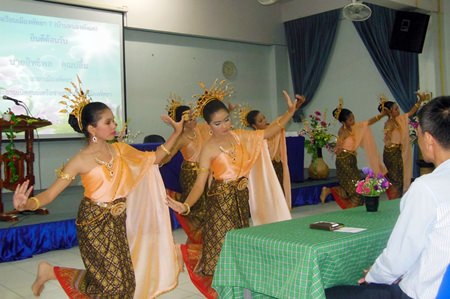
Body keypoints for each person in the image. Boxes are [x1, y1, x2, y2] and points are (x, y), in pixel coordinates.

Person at [13, 78, 183, 298]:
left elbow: (157, 158)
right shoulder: (80, 160)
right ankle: (51, 272)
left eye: (113, 121)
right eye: (108, 122)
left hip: (117, 220)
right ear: (92, 128)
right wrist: (28, 203)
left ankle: (50, 272)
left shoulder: (121, 151)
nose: (114, 126)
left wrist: (176, 133)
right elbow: (50, 193)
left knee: (125, 282)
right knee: (113, 285)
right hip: (93, 222)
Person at [167, 90, 304, 298]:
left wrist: (290, 112)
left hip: (240, 202)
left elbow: (269, 132)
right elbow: (199, 185)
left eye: (227, 120)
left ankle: (241, 293)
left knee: (240, 250)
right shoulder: (209, 148)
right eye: (217, 123)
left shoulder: (241, 137)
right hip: (220, 204)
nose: (225, 126)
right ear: (209, 126)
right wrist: (185, 205)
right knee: (221, 254)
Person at [325, 96, 450, 299]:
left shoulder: (426, 189)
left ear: (428, 139)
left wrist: (373, 274)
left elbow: (399, 258)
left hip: (427, 292)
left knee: (328, 293)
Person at [320, 98, 387, 209]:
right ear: (343, 122)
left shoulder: (355, 128)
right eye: (350, 120)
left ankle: (329, 191)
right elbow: (338, 146)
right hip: (344, 161)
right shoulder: (343, 131)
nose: (353, 121)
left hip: (351, 159)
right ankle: (332, 193)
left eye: (353, 118)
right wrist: (336, 147)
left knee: (352, 188)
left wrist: (382, 115)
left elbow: (368, 122)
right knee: (355, 187)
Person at [162, 96, 212, 244]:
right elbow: (167, 156)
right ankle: (195, 242)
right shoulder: (181, 137)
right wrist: (158, 160)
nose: (193, 119)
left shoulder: (202, 128)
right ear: (181, 121)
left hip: (207, 172)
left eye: (193, 115)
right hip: (191, 175)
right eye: (188, 118)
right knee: (197, 210)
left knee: (209, 207)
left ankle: (208, 240)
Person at [378, 92, 429, 199]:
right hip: (391, 154)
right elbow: (387, 140)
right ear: (390, 112)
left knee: (400, 178)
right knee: (396, 179)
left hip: (398, 152)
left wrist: (420, 101)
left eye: (397, 108)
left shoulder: (400, 119)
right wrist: (388, 138)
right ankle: (394, 200)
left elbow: (411, 112)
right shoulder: (389, 124)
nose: (398, 110)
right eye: (396, 109)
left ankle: (399, 200)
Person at [242, 107, 292, 209]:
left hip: (276, 166)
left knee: (278, 189)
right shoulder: (253, 137)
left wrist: (292, 109)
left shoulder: (273, 128)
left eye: (264, 118)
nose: (264, 121)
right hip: (264, 169)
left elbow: (281, 120)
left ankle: (280, 208)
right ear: (254, 126)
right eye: (260, 120)